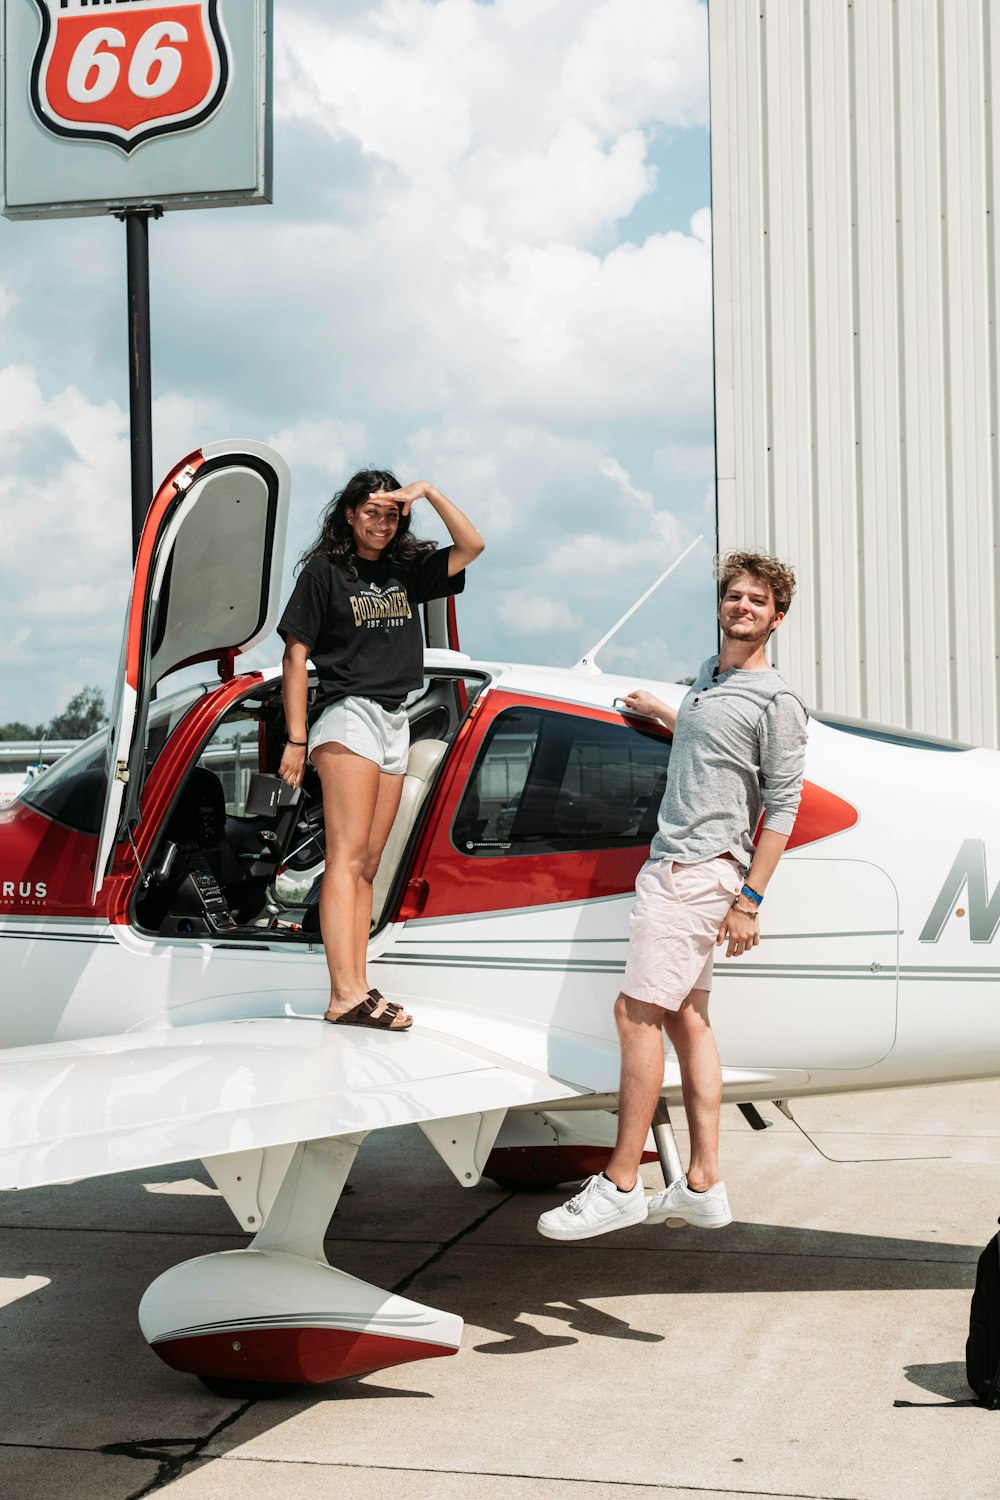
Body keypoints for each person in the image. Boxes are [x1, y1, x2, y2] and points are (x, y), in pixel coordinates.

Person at [538, 551, 807, 1239]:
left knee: (635, 1015)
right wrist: (668, 712)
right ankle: (704, 1182)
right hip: (689, 869)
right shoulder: (709, 680)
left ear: (777, 617)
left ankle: (622, 1182)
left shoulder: (774, 700)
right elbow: (708, 745)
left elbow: (782, 805)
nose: (742, 606)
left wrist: (750, 900)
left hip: (694, 872)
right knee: (688, 1018)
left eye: (756, 600)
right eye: (734, 596)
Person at [277, 471, 484, 1032]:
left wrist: (431, 492)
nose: (380, 521)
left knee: (368, 863)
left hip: (395, 717)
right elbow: (296, 656)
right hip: (348, 716)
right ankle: (343, 993)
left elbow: (472, 546)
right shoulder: (326, 572)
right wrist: (297, 738)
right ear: (348, 514)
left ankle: (359, 988)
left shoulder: (403, 571)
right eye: (370, 511)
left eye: (391, 514)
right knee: (346, 859)